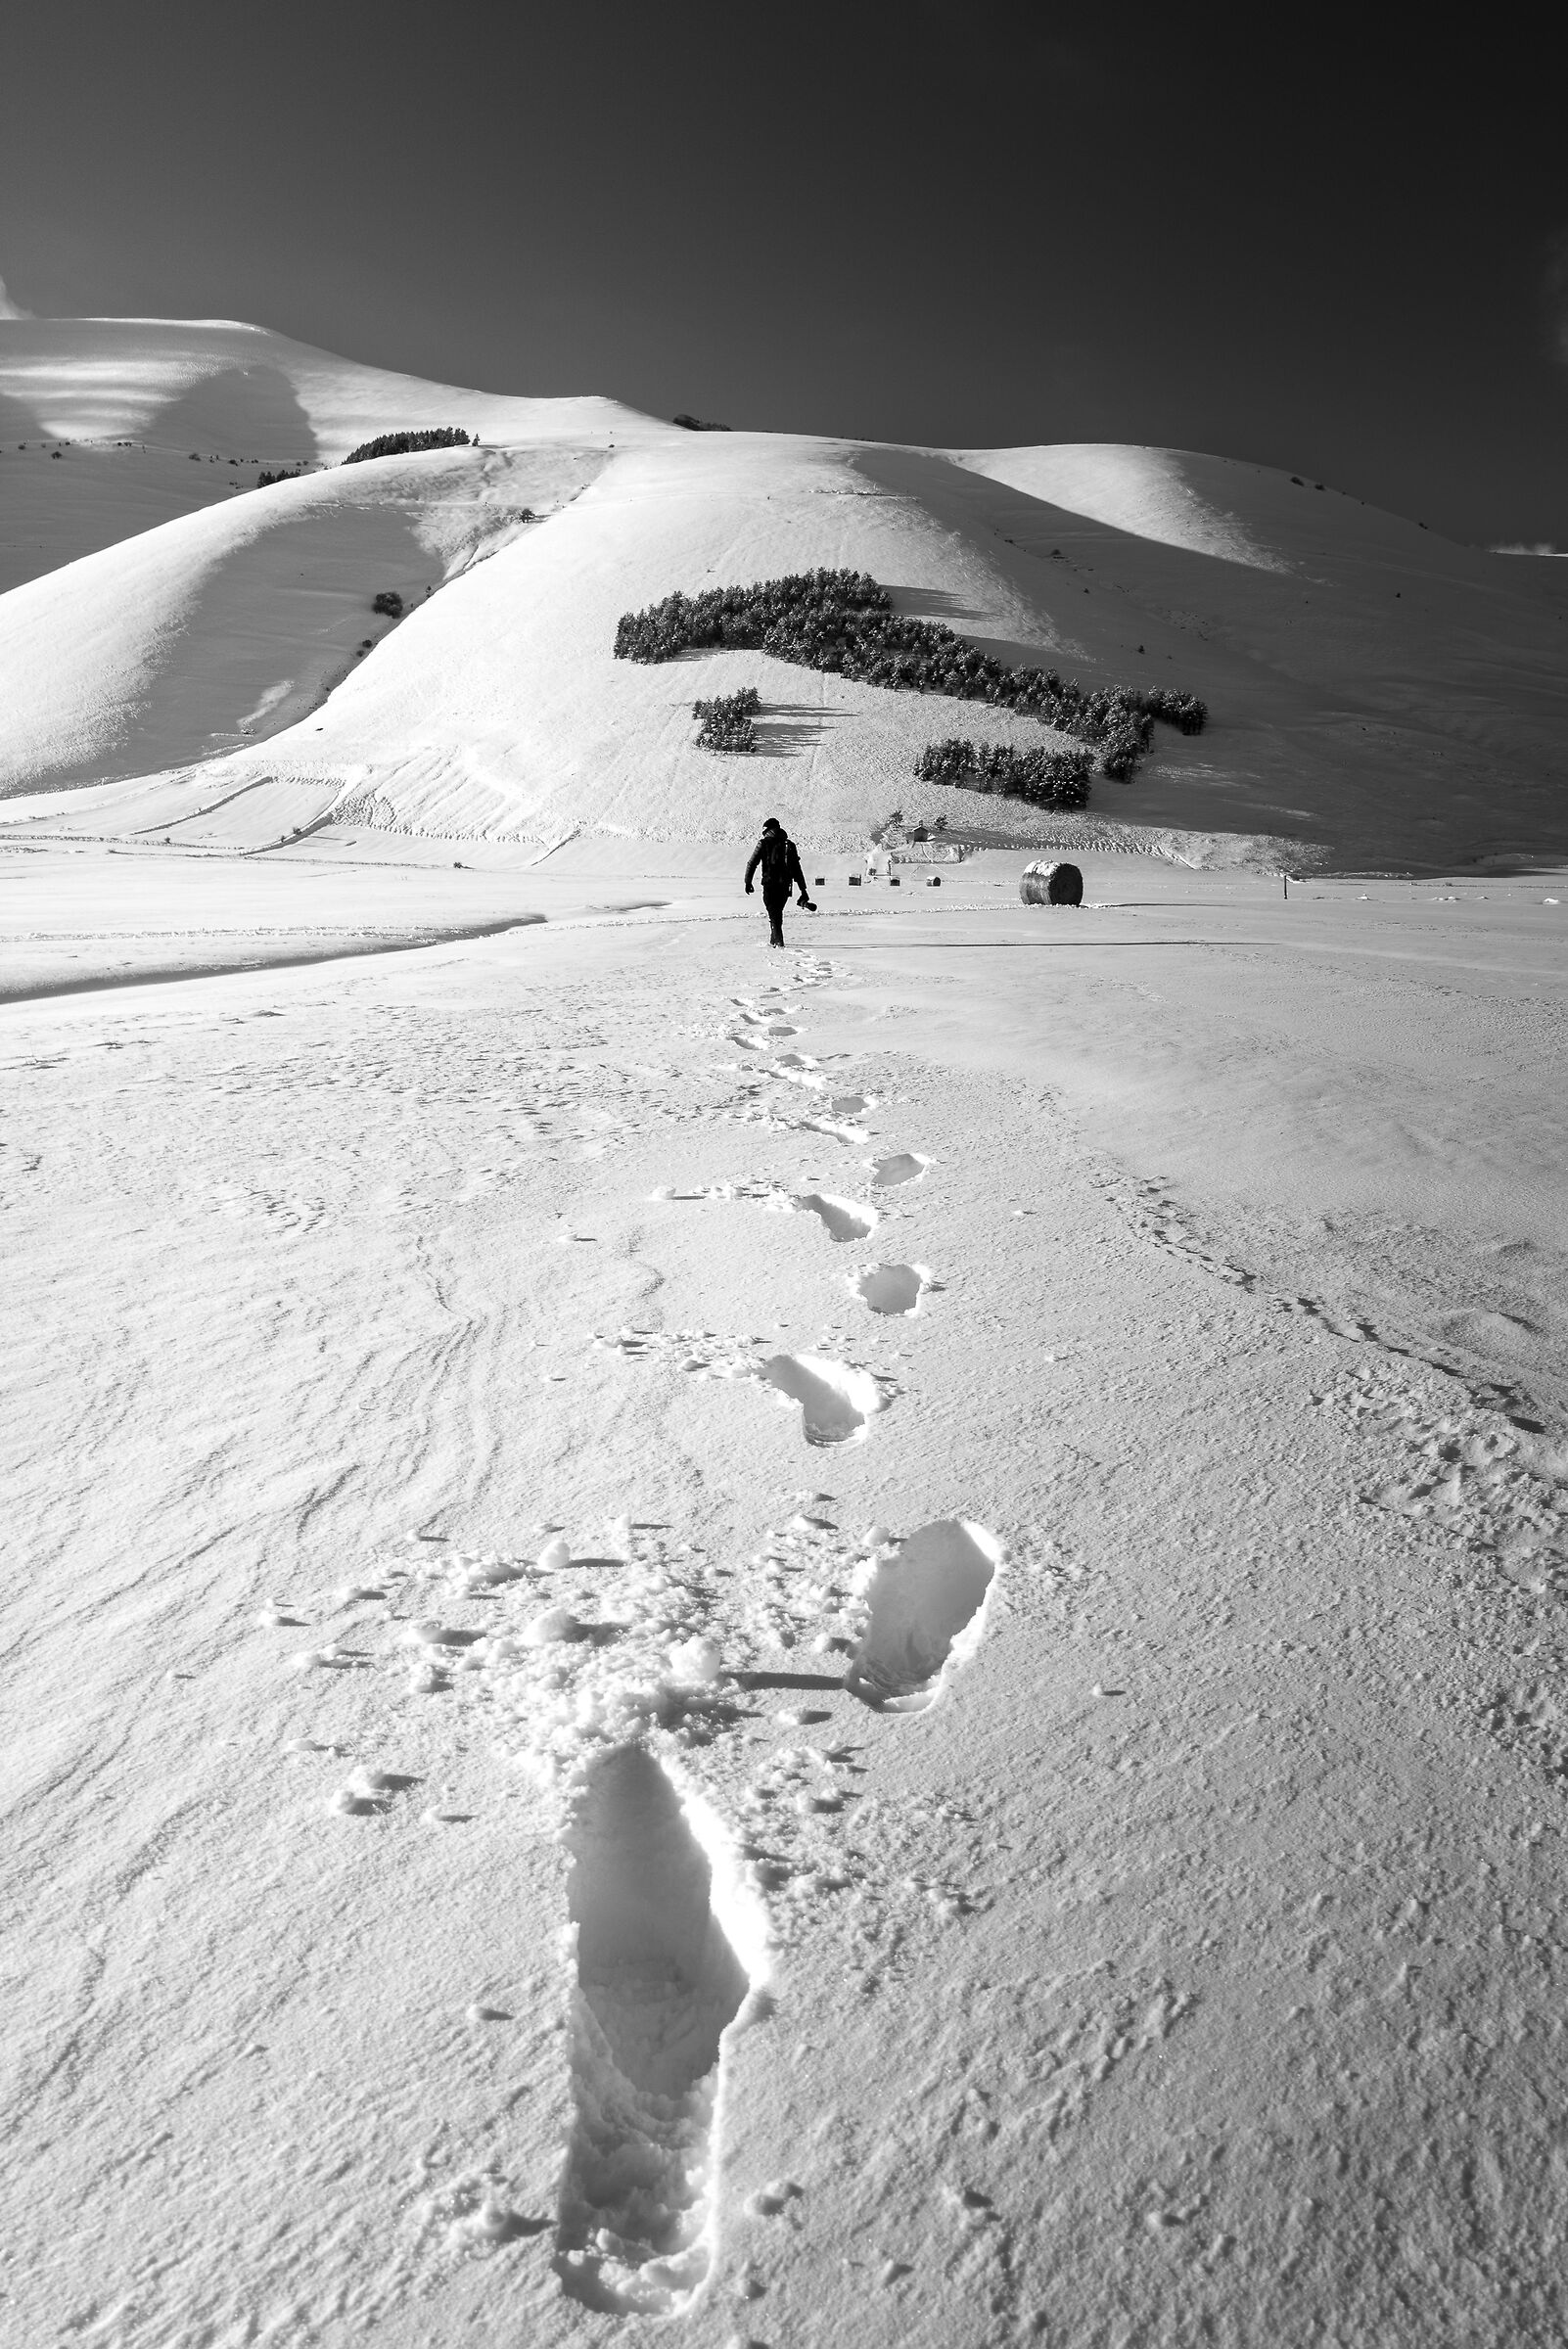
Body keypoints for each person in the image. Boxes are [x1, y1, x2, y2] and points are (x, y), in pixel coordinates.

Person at [744, 817, 813, 947]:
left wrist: (748, 882)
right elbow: (797, 869)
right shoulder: (789, 845)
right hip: (785, 885)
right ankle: (773, 940)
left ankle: (779, 942)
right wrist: (803, 890)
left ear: (768, 830)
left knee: (773, 911)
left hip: (769, 884)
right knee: (777, 912)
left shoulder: (763, 843)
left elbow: (752, 863)